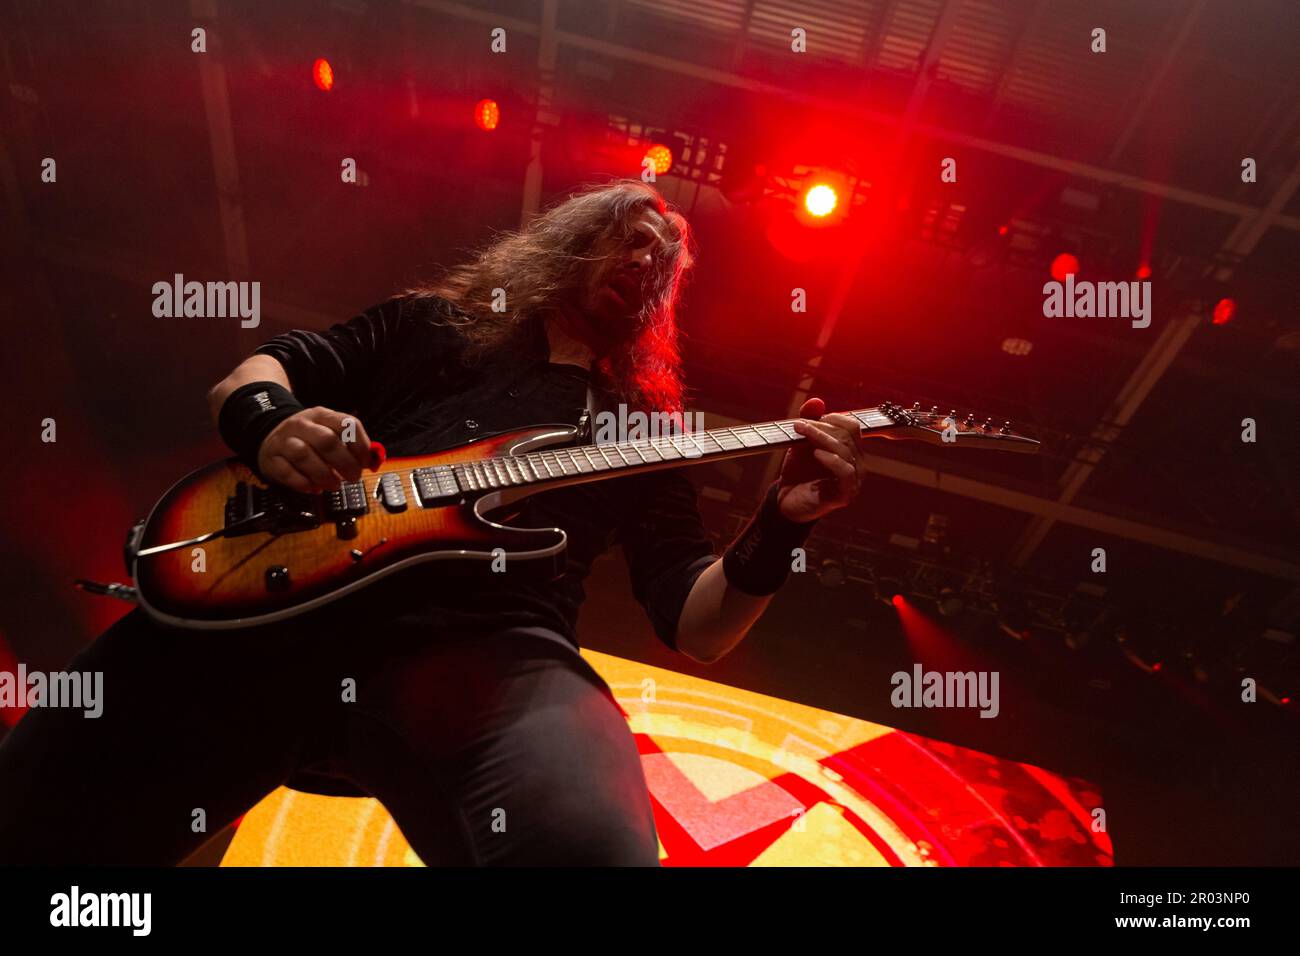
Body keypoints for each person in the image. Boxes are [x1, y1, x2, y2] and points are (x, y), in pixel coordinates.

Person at [0, 180, 868, 866]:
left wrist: (782, 525)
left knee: (588, 851)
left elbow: (697, 622)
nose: (649, 257)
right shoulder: (434, 325)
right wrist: (271, 425)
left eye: (666, 258)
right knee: (34, 818)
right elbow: (263, 370)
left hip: (485, 651)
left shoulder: (645, 428)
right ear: (574, 240)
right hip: (272, 604)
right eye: (631, 236)